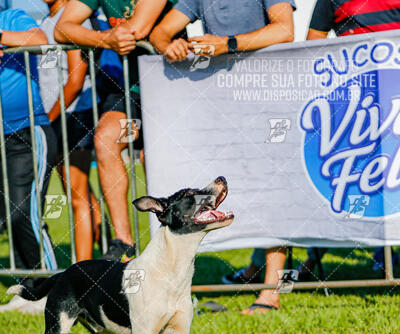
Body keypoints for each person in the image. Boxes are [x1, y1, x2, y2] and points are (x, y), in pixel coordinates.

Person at [150, 1, 295, 314]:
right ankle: (242, 273)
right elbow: (160, 32)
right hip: (222, 100)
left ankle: (270, 295)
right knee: (222, 186)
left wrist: (228, 44)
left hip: (268, 94)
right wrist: (170, 45)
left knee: (271, 191)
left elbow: (285, 30)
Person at [54, 0, 178, 261]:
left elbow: (137, 29)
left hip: (172, 82)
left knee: (153, 158)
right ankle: (124, 243)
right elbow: (62, 29)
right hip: (133, 89)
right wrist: (104, 37)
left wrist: (101, 37)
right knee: (107, 138)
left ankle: (173, 246)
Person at [298, 0, 400, 281]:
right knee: (352, 180)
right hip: (357, 109)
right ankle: (315, 258)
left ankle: (388, 258)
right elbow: (312, 48)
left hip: (396, 101)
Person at [0, 8, 58, 314]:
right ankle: (26, 290)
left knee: (25, 211)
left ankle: (51, 289)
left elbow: (40, 40)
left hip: (27, 131)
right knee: (9, 215)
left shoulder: (12, 17)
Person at [39, 0, 104, 262]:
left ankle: (84, 271)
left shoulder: (76, 18)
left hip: (73, 115)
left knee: (77, 196)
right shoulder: (47, 20)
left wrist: (48, 120)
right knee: (79, 192)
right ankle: (113, 251)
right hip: (57, 117)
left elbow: (76, 79)